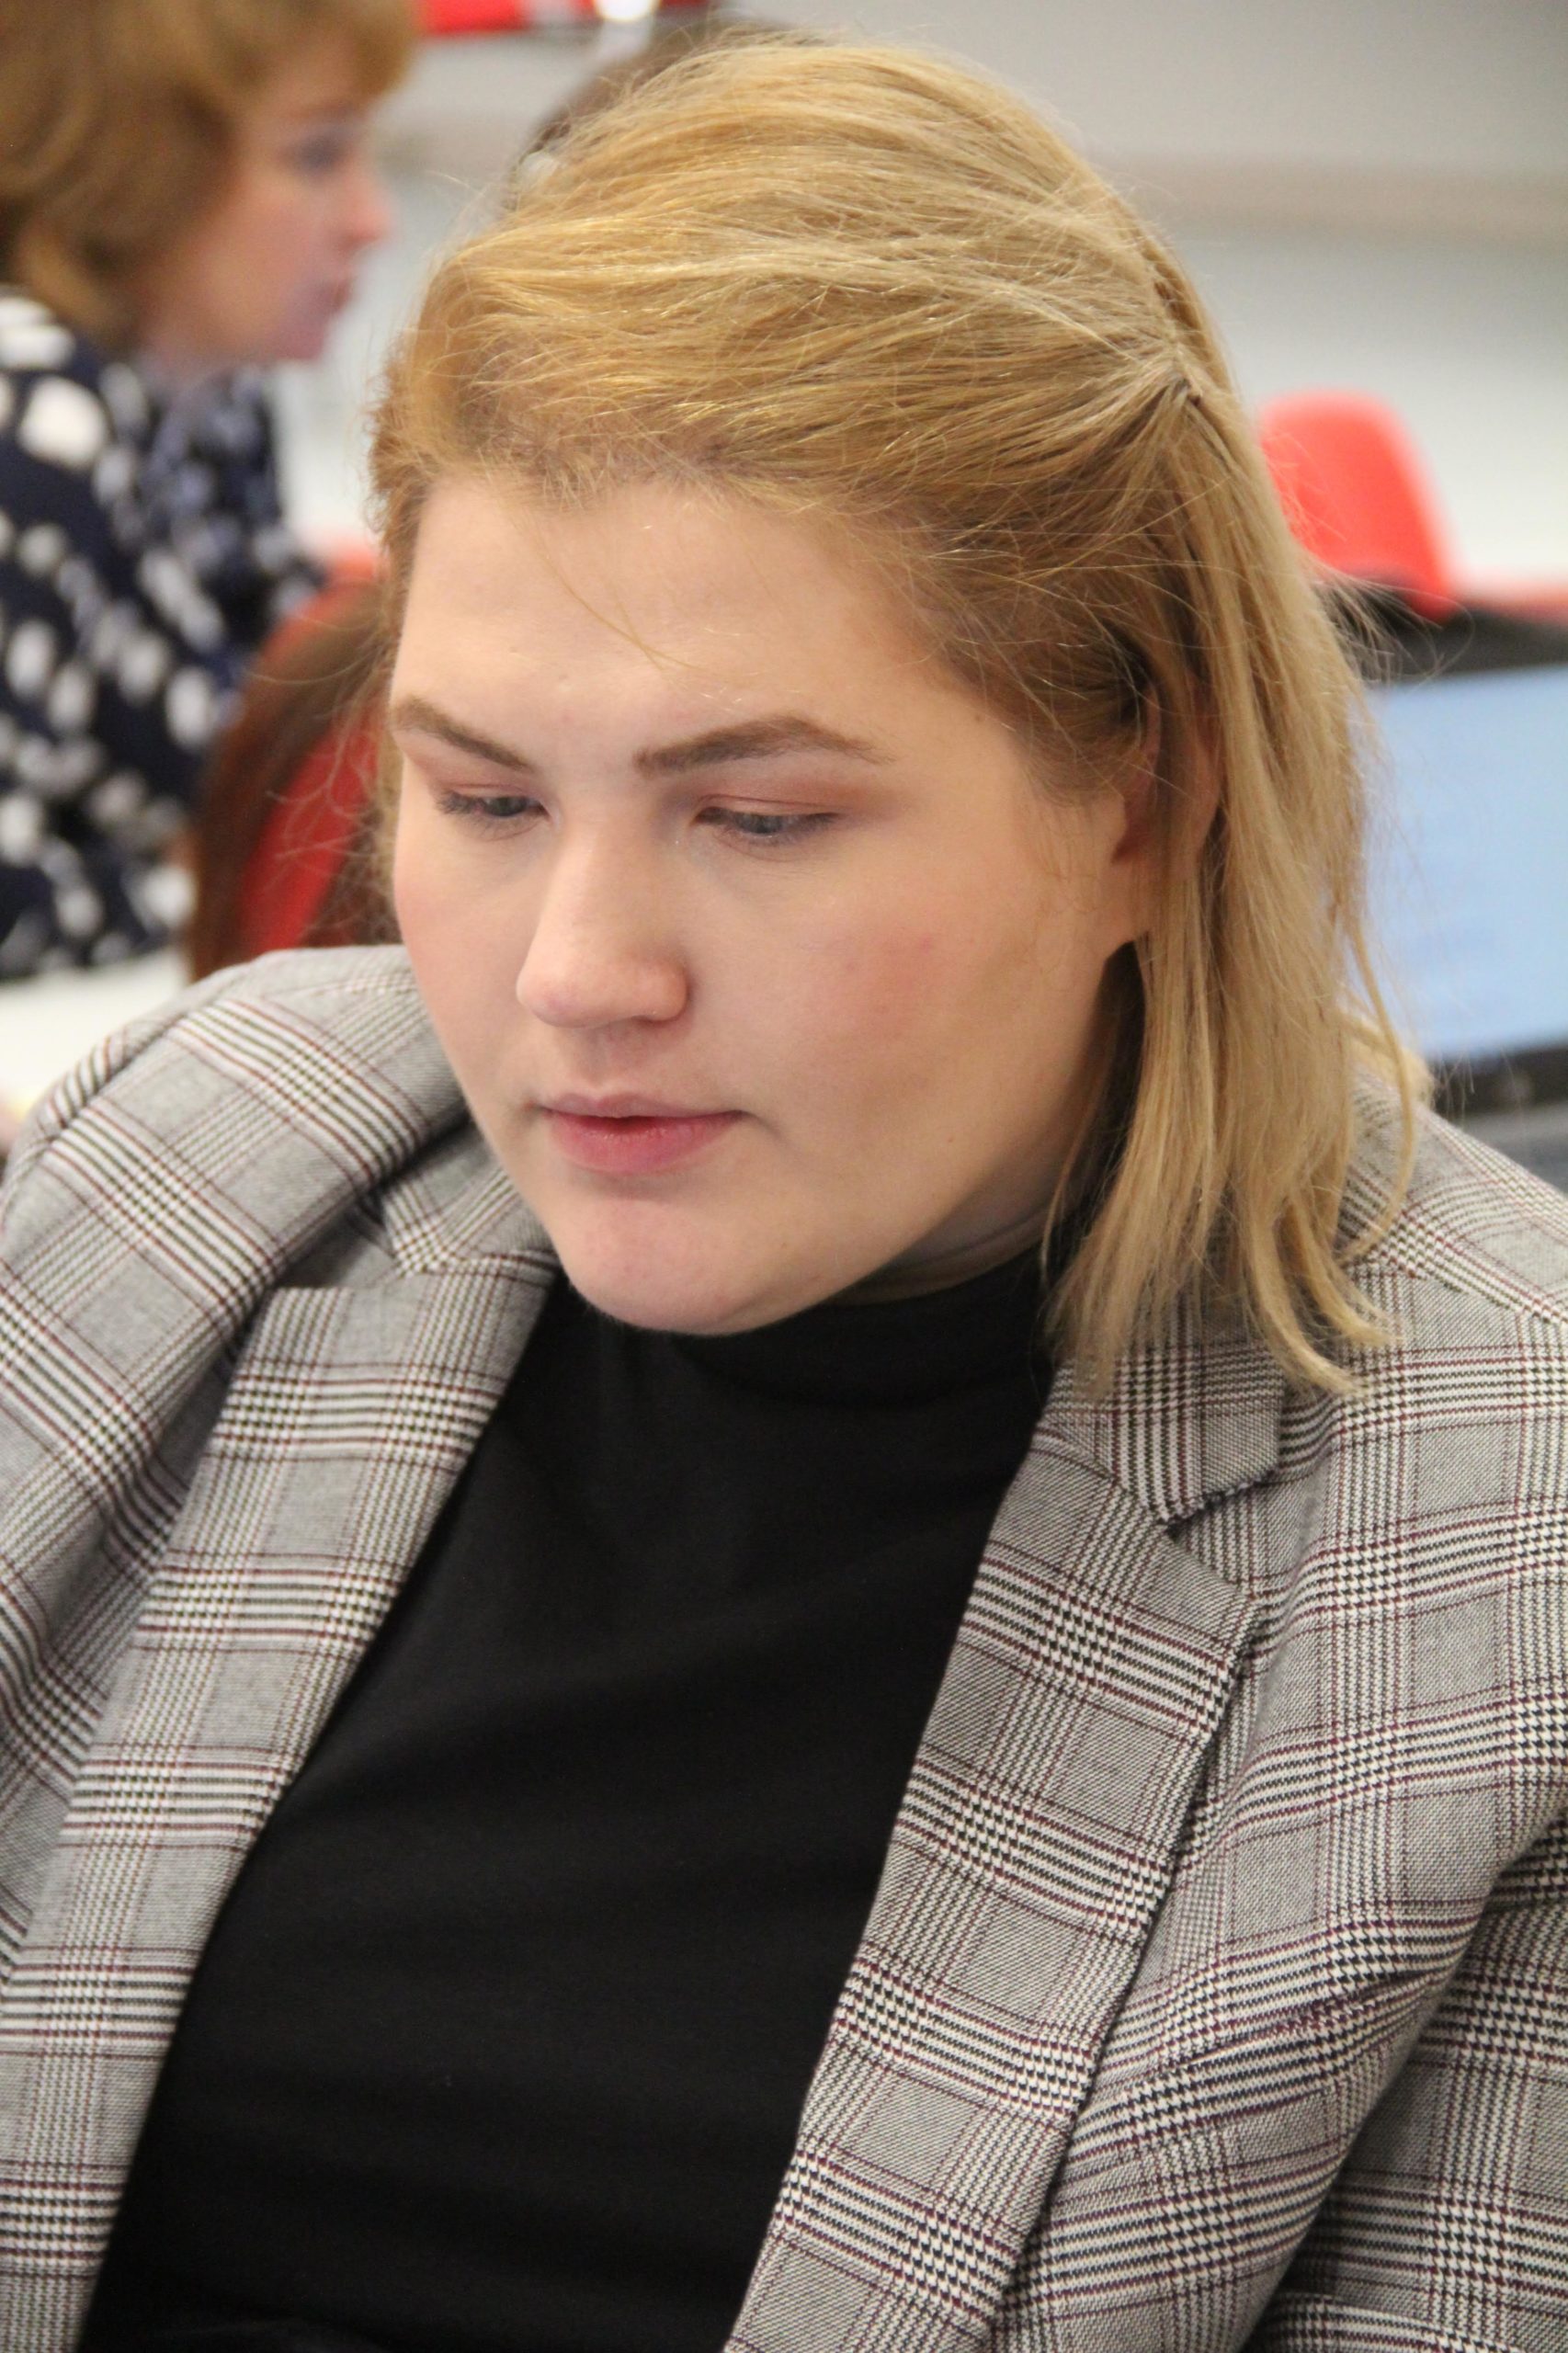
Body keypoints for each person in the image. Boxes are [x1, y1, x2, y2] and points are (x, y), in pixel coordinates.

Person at [0, 34, 1564, 2353]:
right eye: (485, 798)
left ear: (1140, 802)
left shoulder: (1492, 1561)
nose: (575, 974)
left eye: (758, 817)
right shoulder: (206, 1151)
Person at [0, 0, 413, 976]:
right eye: (317, 155)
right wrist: (216, 887)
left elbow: (293, 704)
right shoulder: (36, 417)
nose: (372, 219)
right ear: (137, 165)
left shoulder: (214, 395)